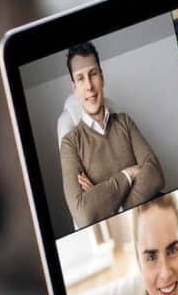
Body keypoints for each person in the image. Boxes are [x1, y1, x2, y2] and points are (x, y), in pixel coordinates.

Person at [55, 42, 163, 231]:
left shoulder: (125, 121)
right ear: (74, 88)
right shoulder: (70, 143)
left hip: (153, 217)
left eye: (93, 74)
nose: (89, 86)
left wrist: (109, 204)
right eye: (80, 79)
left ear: (102, 78)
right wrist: (129, 174)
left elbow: (155, 174)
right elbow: (84, 214)